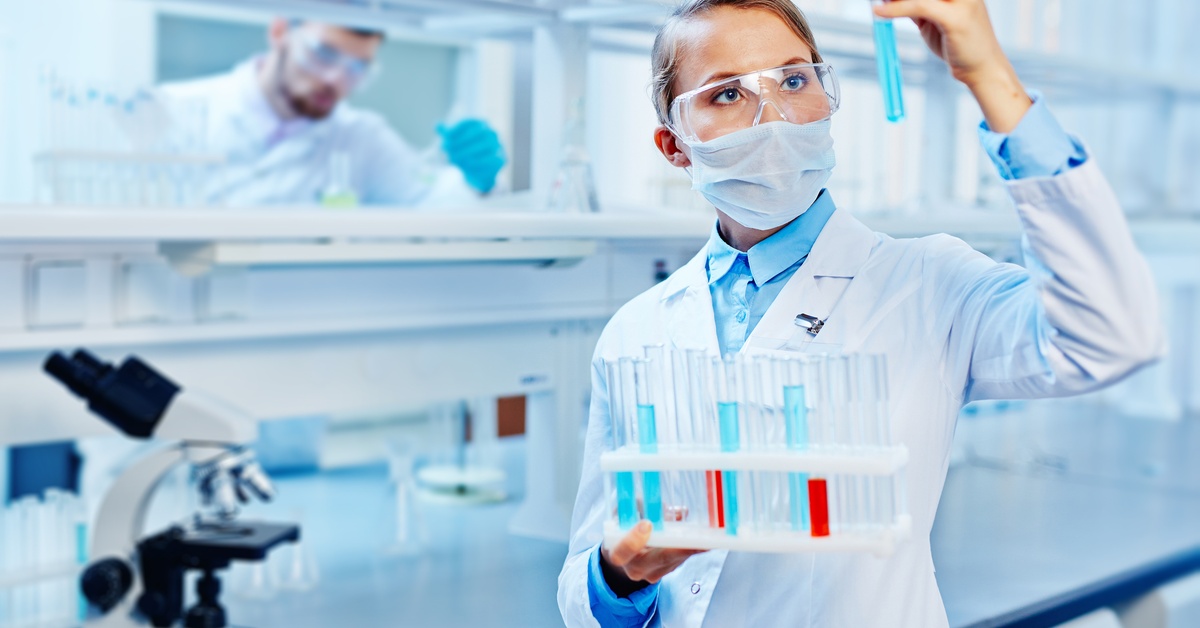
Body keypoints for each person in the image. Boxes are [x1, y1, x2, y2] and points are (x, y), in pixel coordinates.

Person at [558, 0, 1164, 625]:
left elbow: (1110, 335)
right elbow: (587, 593)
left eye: (794, 80)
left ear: (826, 96)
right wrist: (616, 573)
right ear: (673, 145)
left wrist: (989, 78)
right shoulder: (636, 331)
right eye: (727, 94)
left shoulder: (929, 283)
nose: (774, 117)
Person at [157, 19, 505, 206]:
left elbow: (433, 204)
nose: (336, 80)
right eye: (323, 53)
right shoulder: (173, 110)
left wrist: (477, 182)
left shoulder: (362, 137)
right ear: (280, 31)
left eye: (358, 67)